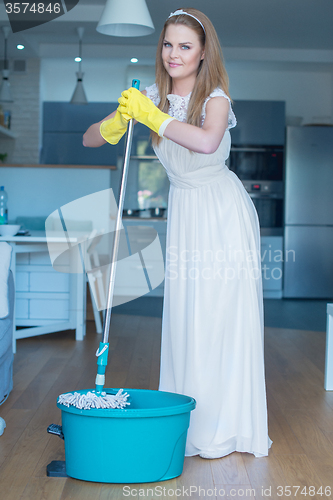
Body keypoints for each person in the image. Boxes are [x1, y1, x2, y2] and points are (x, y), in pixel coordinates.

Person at [83, 7, 272, 459]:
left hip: (222, 214)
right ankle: (191, 424)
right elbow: (90, 138)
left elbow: (206, 142)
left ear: (204, 53)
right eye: (168, 44)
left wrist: (153, 116)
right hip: (186, 211)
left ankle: (228, 429)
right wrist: (115, 124)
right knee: (188, 315)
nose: (174, 54)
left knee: (218, 317)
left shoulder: (215, 98)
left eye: (185, 46)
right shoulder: (151, 94)